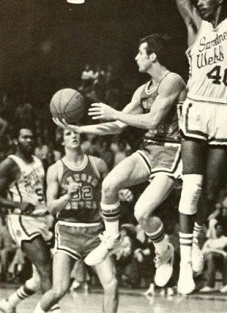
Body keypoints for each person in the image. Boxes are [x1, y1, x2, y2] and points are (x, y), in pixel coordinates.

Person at [55, 33, 187, 289]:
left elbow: (152, 121)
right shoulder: (142, 90)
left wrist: (114, 112)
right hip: (150, 149)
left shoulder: (173, 81)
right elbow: (116, 126)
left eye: (140, 53)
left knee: (142, 212)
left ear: (153, 56)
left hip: (173, 151)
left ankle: (164, 250)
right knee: (109, 185)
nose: (136, 57)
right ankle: (112, 238)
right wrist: (78, 129)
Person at [154, 0, 227, 294]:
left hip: (225, 111)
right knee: (190, 187)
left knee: (209, 190)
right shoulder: (195, 27)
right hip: (195, 109)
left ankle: (193, 238)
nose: (200, 0)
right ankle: (187, 262)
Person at [33, 127, 121, 313]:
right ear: (61, 140)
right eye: (68, 133)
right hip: (67, 232)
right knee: (59, 290)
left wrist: (122, 193)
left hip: (95, 232)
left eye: (75, 132)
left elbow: (110, 191)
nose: (73, 135)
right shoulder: (55, 169)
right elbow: (51, 207)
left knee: (111, 284)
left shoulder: (98, 164)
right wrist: (67, 196)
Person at [0, 126, 59, 313]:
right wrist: (17, 205)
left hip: (41, 218)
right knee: (45, 267)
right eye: (24, 137)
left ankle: (8, 304)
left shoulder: (39, 162)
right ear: (16, 140)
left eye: (31, 137)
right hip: (20, 219)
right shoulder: (9, 164)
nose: (29, 140)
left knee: (38, 276)